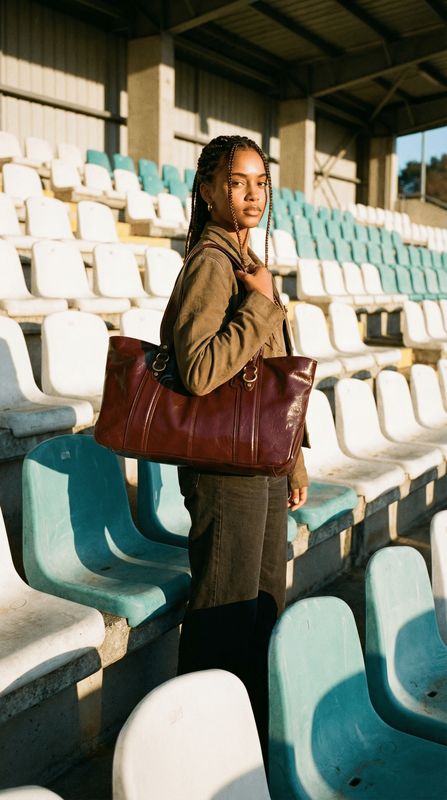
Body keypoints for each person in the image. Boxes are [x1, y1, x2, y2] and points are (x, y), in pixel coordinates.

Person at [171, 134, 309, 756]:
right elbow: (199, 370)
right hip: (225, 473)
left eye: (260, 182)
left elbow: (272, 373)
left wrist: (293, 455)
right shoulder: (210, 261)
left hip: (261, 462)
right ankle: (194, 753)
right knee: (222, 620)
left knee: (261, 609)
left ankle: (241, 748)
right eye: (237, 182)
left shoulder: (248, 259)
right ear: (207, 190)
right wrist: (260, 306)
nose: (253, 194)